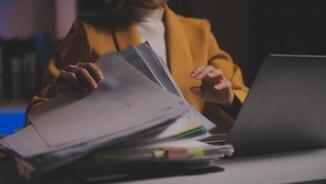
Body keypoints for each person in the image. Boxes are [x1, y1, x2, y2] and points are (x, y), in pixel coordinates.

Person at [26, 0, 249, 128]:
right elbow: (37, 111)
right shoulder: (87, 31)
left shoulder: (199, 31)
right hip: (116, 164)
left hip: (187, 158)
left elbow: (245, 98)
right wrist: (68, 98)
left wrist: (228, 99)